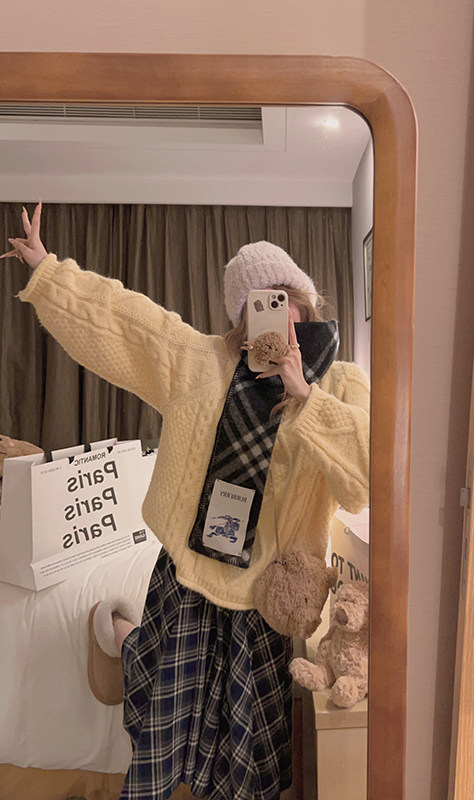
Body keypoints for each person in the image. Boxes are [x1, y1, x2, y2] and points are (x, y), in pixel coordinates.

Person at [2, 203, 370, 800]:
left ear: (304, 301)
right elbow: (124, 321)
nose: (277, 315)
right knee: (162, 710)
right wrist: (49, 271)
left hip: (264, 592)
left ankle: (121, 633)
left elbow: (367, 476)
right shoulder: (201, 362)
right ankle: (120, 632)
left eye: (284, 298)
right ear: (241, 319)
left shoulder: (343, 382)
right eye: (258, 305)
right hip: (190, 569)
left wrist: (306, 397)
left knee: (247, 747)